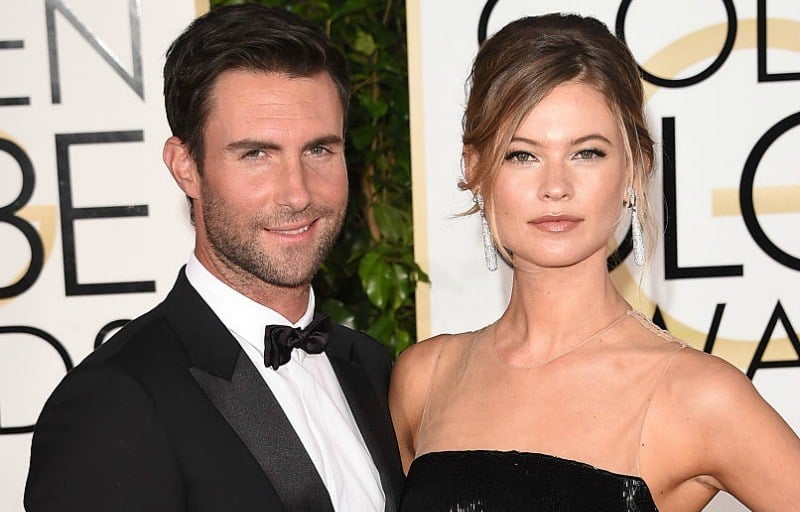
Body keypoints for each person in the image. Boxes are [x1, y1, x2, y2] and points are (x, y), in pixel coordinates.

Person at [390, 13, 800, 512]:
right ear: (475, 169)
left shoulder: (697, 395)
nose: (555, 186)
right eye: (523, 155)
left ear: (635, 168)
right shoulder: (424, 380)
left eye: (587, 153)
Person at [25, 4, 403, 511]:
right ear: (185, 167)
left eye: (318, 150)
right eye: (256, 154)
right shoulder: (115, 400)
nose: (296, 194)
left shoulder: (371, 367)